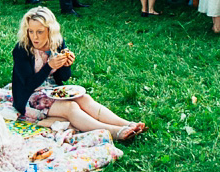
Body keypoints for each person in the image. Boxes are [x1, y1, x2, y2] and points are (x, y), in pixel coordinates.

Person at [11, 7, 144, 141]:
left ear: (50, 30)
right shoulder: (22, 49)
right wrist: (49, 66)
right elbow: (27, 84)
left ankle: (126, 124)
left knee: (84, 99)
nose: (34, 37)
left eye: (40, 32)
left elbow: (63, 77)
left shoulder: (57, 43)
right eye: (31, 31)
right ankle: (115, 132)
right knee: (71, 107)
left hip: (52, 90)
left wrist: (66, 65)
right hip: (28, 97)